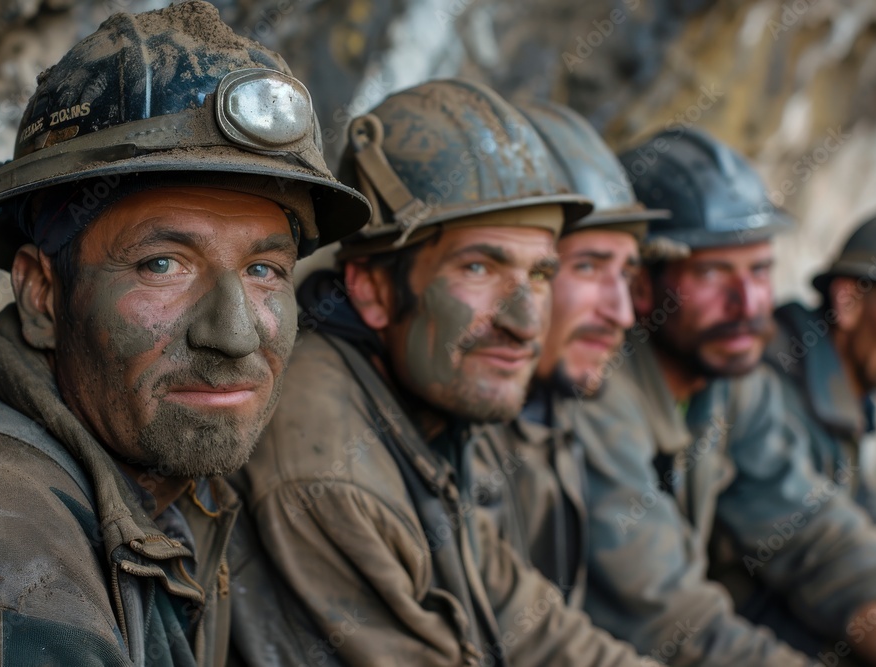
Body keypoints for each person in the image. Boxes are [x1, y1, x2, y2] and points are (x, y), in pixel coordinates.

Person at [0, 2, 371, 664]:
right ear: (41, 292)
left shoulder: (165, 483)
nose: (232, 335)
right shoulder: (1, 563)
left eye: (265, 269)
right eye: (163, 264)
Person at [228, 78, 656, 666]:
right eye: (479, 267)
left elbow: (538, 632)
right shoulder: (333, 473)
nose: (526, 323)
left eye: (539, 274)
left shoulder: (432, 414)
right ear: (374, 289)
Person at [576, 127, 876, 666]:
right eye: (712, 271)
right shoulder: (598, 396)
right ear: (641, 285)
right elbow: (669, 619)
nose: (747, 303)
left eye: (760, 270)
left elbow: (816, 536)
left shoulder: (736, 386)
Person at [472, 100, 669, 609]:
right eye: (587, 268)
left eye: (625, 275)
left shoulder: (558, 406)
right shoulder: (456, 425)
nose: (621, 312)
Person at [721, 210, 876, 652]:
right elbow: (815, 546)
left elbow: (863, 516)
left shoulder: (842, 395)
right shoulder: (771, 387)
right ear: (849, 302)